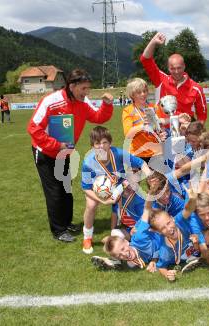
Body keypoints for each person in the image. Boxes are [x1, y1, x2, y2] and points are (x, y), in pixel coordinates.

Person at [27, 69, 113, 242]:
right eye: (83, 88)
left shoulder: (83, 101)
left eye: (88, 88)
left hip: (65, 152)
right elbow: (33, 128)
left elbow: (98, 117)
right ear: (72, 86)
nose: (86, 92)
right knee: (55, 192)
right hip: (45, 153)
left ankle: (66, 223)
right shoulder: (51, 101)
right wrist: (56, 145)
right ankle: (59, 230)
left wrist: (106, 104)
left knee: (66, 189)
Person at [81, 126, 152, 254]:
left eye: (104, 142)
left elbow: (141, 163)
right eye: (97, 143)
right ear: (92, 146)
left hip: (119, 185)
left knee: (131, 201)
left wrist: (149, 176)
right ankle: (87, 237)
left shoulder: (118, 153)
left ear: (110, 143)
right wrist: (102, 201)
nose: (101, 146)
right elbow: (86, 188)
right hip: (97, 189)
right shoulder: (87, 163)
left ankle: (124, 229)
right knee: (91, 205)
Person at [140, 32, 207, 123]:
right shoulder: (161, 80)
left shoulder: (196, 88)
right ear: (168, 68)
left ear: (184, 66)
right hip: (164, 132)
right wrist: (153, 42)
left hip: (186, 132)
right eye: (172, 69)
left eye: (179, 68)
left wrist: (195, 132)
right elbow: (145, 60)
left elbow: (202, 116)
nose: (176, 72)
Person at [122, 78, 168, 162]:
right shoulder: (128, 111)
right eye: (139, 92)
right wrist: (143, 126)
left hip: (157, 153)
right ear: (132, 95)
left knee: (160, 175)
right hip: (138, 154)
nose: (143, 94)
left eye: (145, 91)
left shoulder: (154, 107)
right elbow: (128, 135)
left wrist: (161, 135)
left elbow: (160, 128)